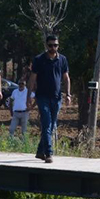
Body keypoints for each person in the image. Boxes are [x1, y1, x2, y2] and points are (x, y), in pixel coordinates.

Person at [28, 35, 71, 163]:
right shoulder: (39, 59)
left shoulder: (62, 59)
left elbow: (66, 78)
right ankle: (48, 153)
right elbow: (32, 79)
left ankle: (40, 151)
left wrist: (68, 94)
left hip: (57, 97)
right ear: (46, 45)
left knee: (51, 126)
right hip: (42, 97)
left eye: (56, 45)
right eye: (51, 45)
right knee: (47, 124)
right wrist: (28, 96)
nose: (53, 48)